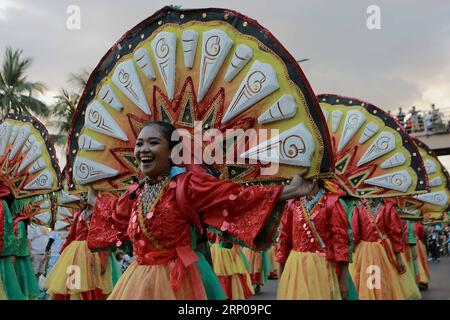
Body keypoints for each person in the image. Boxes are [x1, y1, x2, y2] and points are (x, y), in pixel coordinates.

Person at [88, 121, 316, 300]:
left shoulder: (187, 185)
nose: (143, 149)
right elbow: (112, 214)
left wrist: (288, 191)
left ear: (172, 152)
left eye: (153, 143)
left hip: (179, 282)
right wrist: (94, 200)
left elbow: (232, 198)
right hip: (137, 282)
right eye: (139, 144)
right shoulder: (134, 194)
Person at [276, 181, 350, 300]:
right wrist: (281, 274)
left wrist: (343, 279)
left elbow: (341, 242)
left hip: (322, 270)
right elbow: (284, 240)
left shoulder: (332, 203)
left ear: (314, 179)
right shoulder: (292, 204)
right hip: (295, 270)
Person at [349, 198, 407, 299]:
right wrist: (398, 257)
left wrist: (352, 251)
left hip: (366, 252)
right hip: (382, 251)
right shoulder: (388, 207)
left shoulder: (359, 206)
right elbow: (395, 233)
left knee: (368, 281)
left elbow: (354, 233)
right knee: (381, 282)